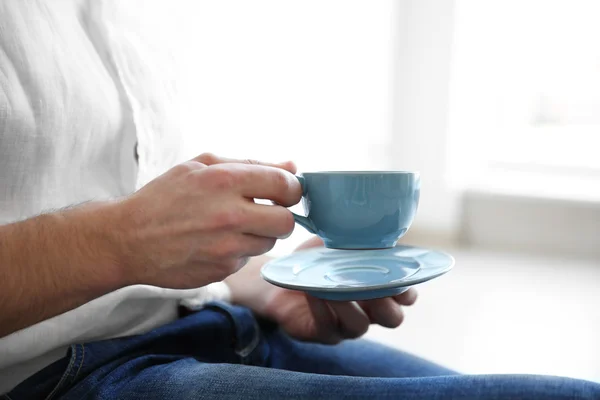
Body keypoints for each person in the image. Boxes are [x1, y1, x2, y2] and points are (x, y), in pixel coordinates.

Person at [0, 2, 598, 399]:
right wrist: (118, 240)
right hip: (63, 376)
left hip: (221, 323)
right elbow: (119, 235)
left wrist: (260, 282)